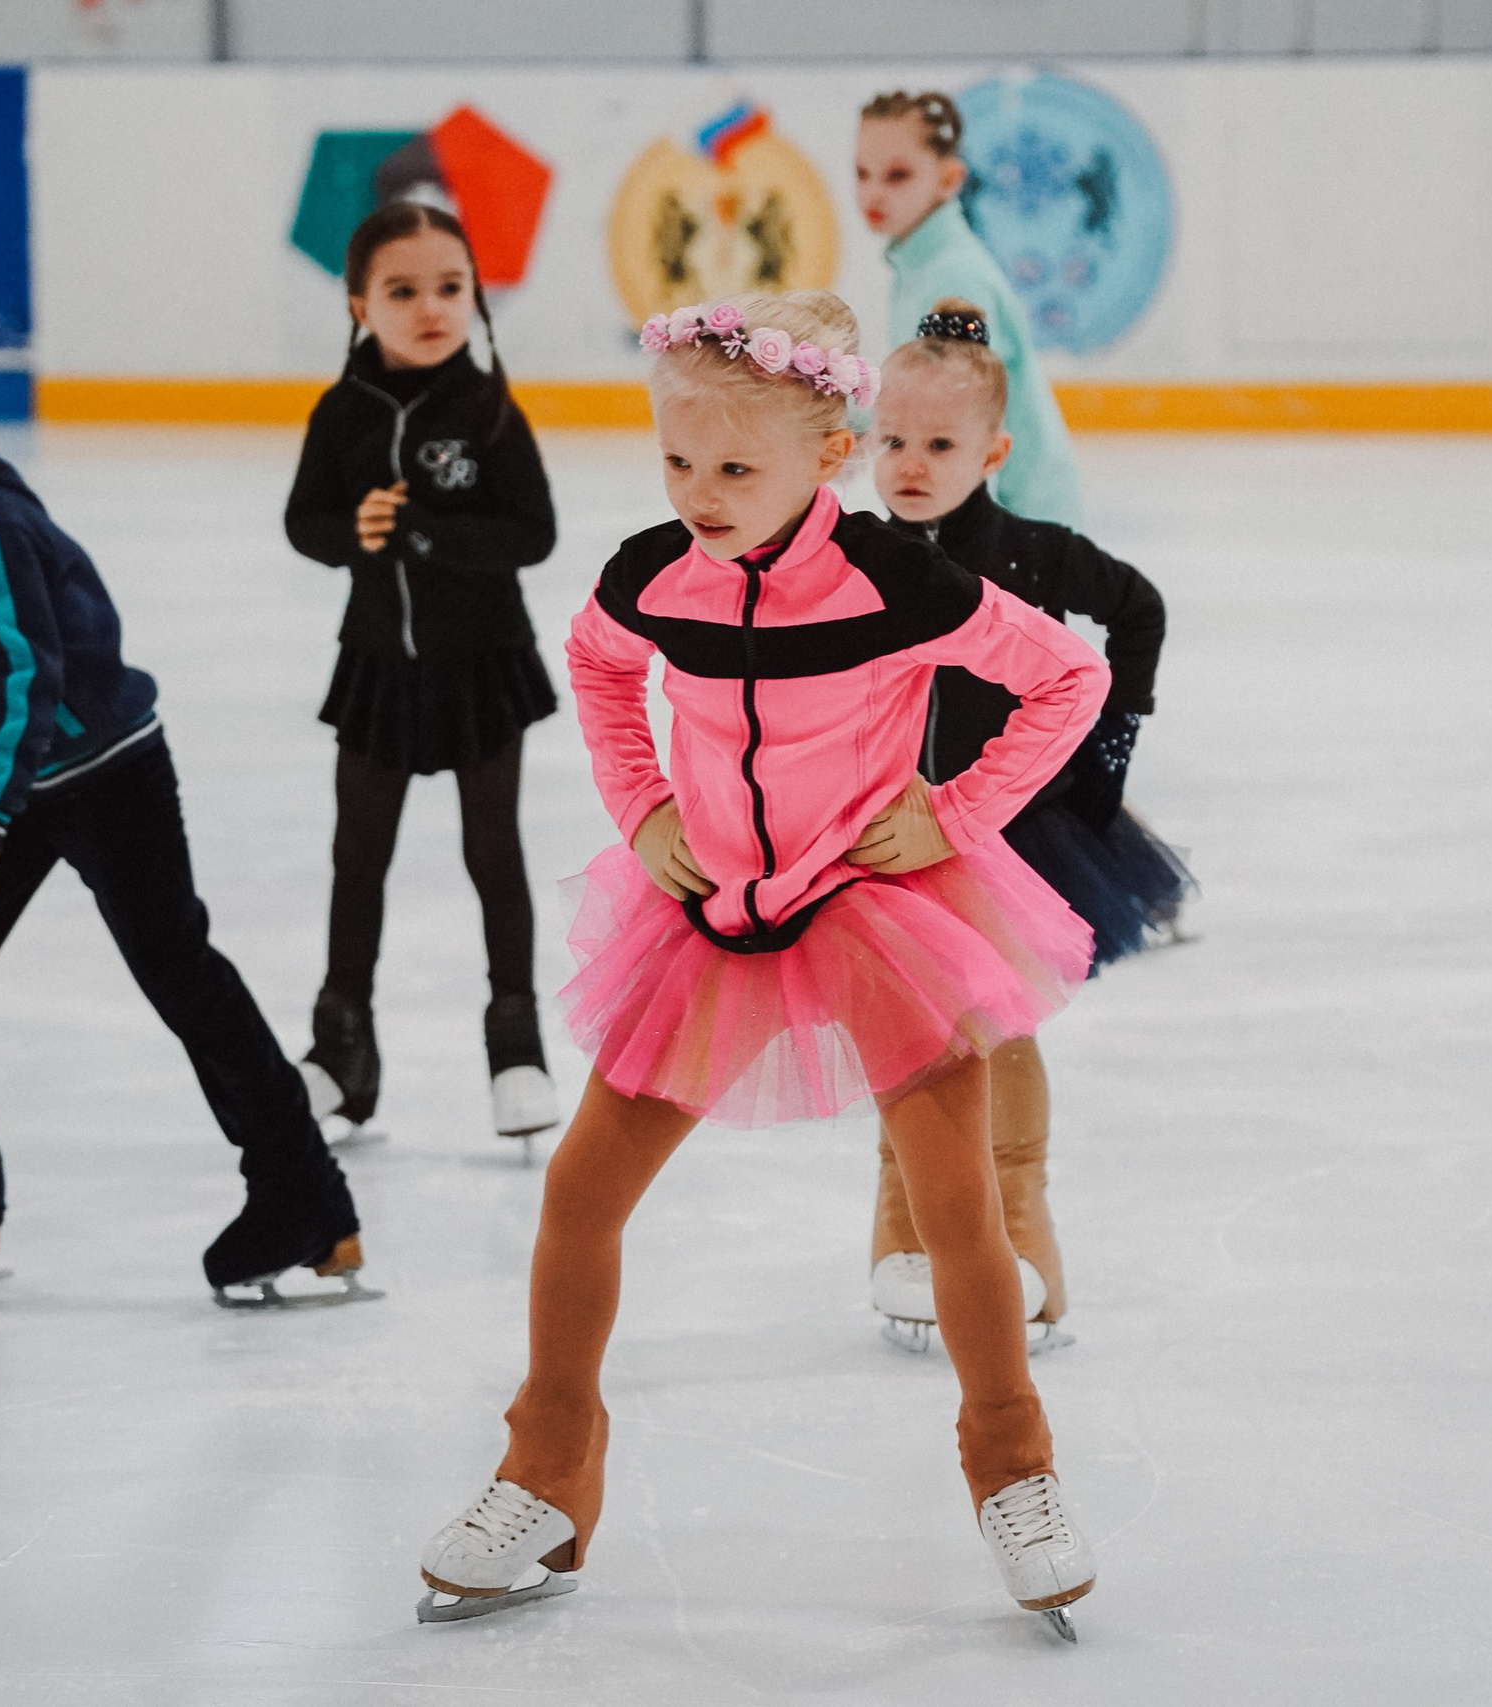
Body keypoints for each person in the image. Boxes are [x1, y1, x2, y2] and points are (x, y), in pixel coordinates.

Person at [413, 291, 1107, 1638]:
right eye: (679, 462)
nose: (702, 493)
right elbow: (603, 668)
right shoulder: (646, 573)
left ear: (827, 457)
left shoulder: (897, 580)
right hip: (708, 916)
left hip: (871, 910)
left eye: (735, 468)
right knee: (580, 1193)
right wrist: (644, 809)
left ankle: (1013, 1462)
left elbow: (1063, 680)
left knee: (956, 1207)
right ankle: (547, 1468)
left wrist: (955, 811)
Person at [0, 297, 365, 1306]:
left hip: (101, 775)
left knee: (178, 973)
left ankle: (302, 1195)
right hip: (22, 778)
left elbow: (28, 680)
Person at [864, 302, 1191, 1352]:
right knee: (903, 1041)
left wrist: (1103, 757)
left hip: (1004, 839)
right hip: (882, 840)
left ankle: (1020, 1234)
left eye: (940, 445)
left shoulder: (1035, 556)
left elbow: (1136, 609)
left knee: (997, 1031)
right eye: (893, 441)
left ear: (995, 451)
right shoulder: (852, 555)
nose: (910, 464)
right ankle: (902, 1236)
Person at [284, 202, 562, 1146]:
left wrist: (427, 532)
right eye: (403, 291)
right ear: (361, 304)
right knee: (357, 859)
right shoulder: (341, 412)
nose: (431, 307)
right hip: (377, 668)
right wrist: (351, 535)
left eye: (450, 287)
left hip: (482, 667)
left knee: (494, 855)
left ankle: (517, 1048)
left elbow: (534, 532)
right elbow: (304, 523)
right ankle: (341, 1053)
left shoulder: (487, 410)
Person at [854, 89, 1083, 529]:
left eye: (897, 175)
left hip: (1018, 520)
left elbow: (966, 412)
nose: (872, 193)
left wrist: (972, 550)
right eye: (862, 173)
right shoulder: (917, 262)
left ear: (948, 179)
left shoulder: (952, 276)